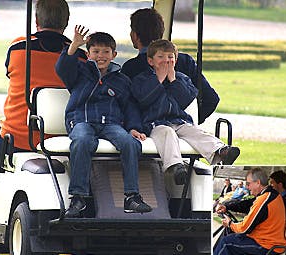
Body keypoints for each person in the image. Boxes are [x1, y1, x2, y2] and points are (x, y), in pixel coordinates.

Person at [0, 0, 76, 219]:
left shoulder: (19, 48)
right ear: (66, 22)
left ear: (37, 20)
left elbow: (10, 73)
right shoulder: (77, 55)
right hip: (63, 137)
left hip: (19, 136)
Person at [55, 27, 152, 218]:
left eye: (106, 52)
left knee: (130, 143)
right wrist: (74, 45)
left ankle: (131, 197)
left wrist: (133, 128)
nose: (101, 56)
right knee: (82, 141)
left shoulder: (121, 80)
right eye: (96, 52)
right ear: (88, 54)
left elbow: (129, 106)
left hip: (110, 124)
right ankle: (78, 197)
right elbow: (62, 68)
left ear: (114, 54)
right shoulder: (80, 72)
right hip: (82, 120)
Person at [130, 39, 236, 185]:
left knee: (194, 132)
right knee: (168, 133)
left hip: (179, 121)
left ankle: (220, 151)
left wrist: (173, 79)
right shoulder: (142, 79)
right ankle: (175, 166)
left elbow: (184, 99)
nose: (166, 61)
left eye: (170, 57)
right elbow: (143, 99)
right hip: (154, 124)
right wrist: (159, 79)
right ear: (150, 61)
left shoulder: (181, 79)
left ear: (176, 60)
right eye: (161, 57)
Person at [121, 8, 219, 125]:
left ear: (135, 35)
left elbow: (125, 107)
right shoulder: (185, 62)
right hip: (184, 130)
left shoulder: (131, 68)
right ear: (162, 32)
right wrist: (188, 121)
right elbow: (211, 99)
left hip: (148, 131)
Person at [213, 168, 286, 255]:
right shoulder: (269, 195)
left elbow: (245, 228)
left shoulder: (264, 199)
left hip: (267, 245)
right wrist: (227, 206)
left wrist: (230, 224)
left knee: (226, 243)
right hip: (264, 240)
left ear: (258, 183)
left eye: (248, 184)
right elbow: (247, 204)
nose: (247, 187)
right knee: (230, 235)